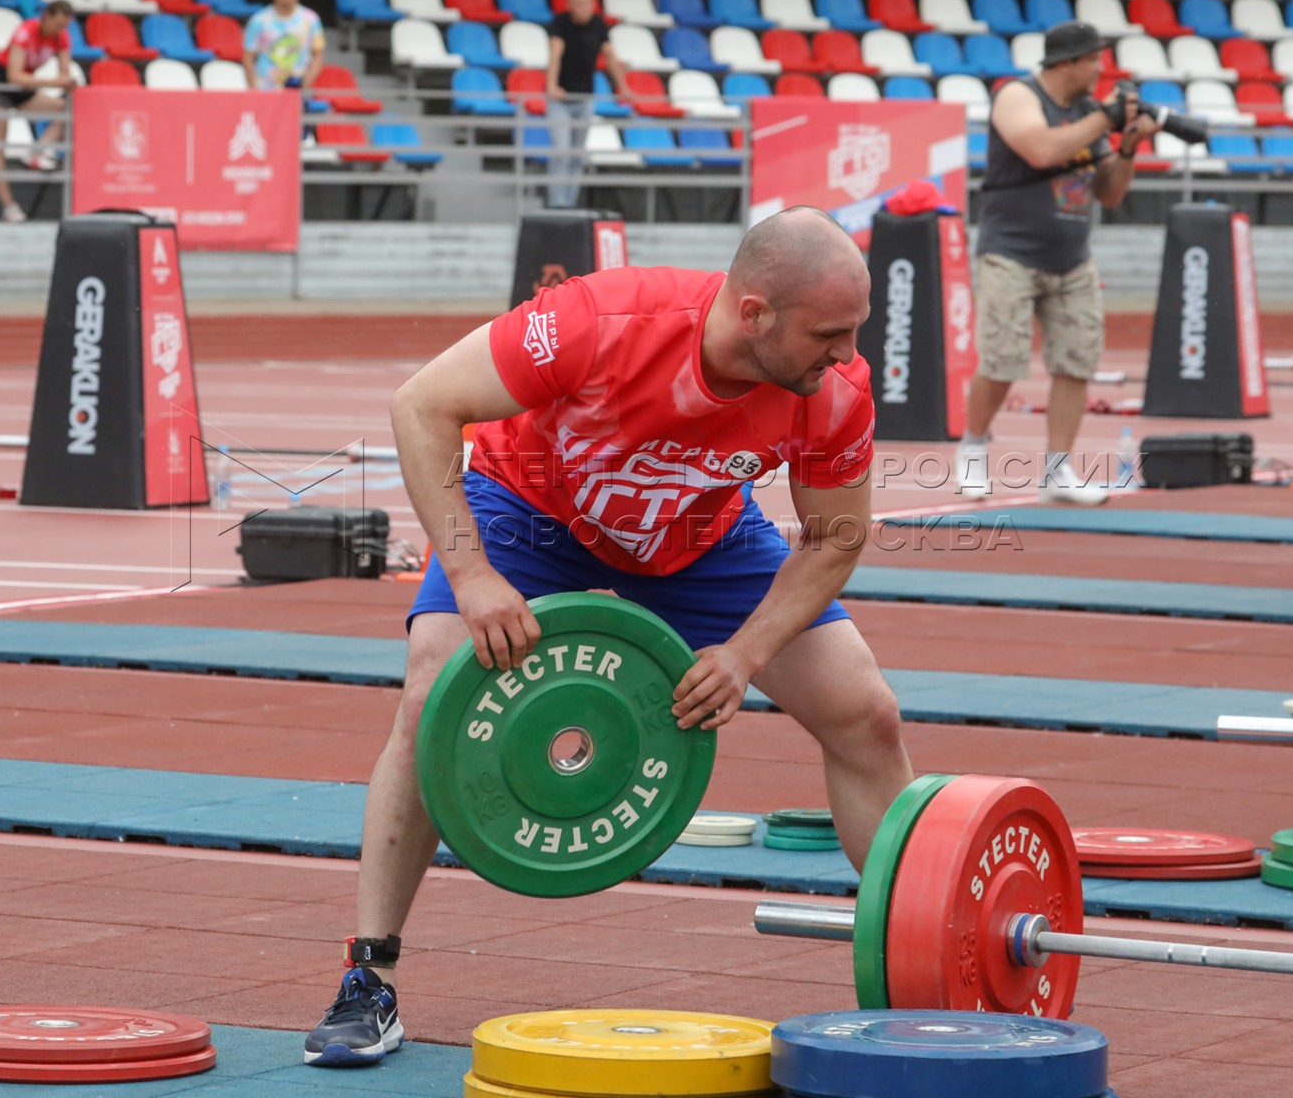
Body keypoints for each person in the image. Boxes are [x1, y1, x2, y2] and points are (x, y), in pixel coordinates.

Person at [302, 206, 913, 1067]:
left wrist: (745, 653)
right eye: (829, 334)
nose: (847, 355)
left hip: (694, 532)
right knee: (430, 696)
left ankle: (918, 975)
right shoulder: (600, 320)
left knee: (865, 712)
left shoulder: (834, 389)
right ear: (754, 313)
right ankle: (368, 978)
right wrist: (473, 576)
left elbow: (837, 535)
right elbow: (422, 405)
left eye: (855, 332)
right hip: (531, 512)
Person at [956, 20, 1158, 506]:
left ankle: (1057, 471)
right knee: (1002, 360)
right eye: (1092, 60)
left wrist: (1128, 145)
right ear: (1066, 62)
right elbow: (1041, 149)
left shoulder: (1089, 112)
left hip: (1072, 257)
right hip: (1011, 252)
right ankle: (973, 449)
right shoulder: (1017, 96)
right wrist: (1106, 119)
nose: (1100, 70)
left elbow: (1109, 193)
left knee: (1076, 362)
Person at [0, 0, 74, 224]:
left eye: (64, 26)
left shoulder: (61, 37)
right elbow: (14, 75)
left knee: (66, 110)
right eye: (57, 24)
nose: (59, 30)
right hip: (0, 85)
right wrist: (54, 82)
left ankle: (36, 152)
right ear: (46, 16)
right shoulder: (26, 31)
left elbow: (65, 74)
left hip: (25, 87)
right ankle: (9, 207)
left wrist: (66, 81)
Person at [545, 0, 632, 209]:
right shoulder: (560, 23)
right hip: (561, 99)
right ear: (570, 5)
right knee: (561, 151)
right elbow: (555, 55)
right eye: (580, 3)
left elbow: (610, 57)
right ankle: (556, 204)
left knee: (577, 154)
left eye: (588, 3)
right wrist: (551, 86)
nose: (585, 7)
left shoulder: (598, 24)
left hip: (585, 98)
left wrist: (622, 86)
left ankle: (569, 204)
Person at [243, 0, 325, 92]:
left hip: (297, 89)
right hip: (266, 89)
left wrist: (307, 81)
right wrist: (253, 89)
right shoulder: (259, 21)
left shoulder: (311, 19)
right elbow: (248, 57)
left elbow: (318, 54)